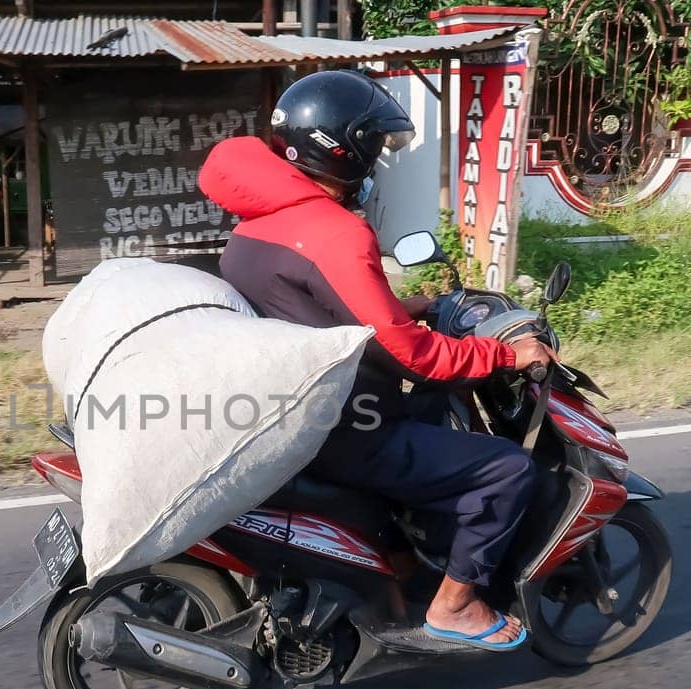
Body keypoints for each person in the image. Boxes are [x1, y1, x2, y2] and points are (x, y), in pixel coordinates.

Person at [198, 70, 557, 652]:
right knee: (505, 469)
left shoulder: (258, 222)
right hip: (347, 427)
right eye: (374, 147)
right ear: (346, 147)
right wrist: (502, 354)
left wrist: (410, 304)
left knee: (442, 405)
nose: (377, 163)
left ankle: (401, 557)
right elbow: (407, 355)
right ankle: (456, 606)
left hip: (296, 411)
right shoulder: (333, 230)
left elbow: (314, 305)